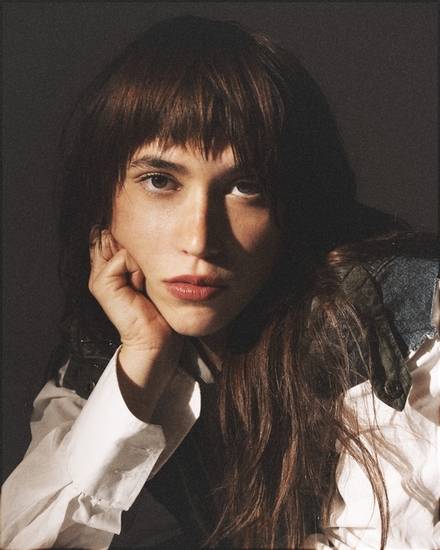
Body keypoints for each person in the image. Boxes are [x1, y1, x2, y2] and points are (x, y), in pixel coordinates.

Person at [1, 15, 438, 550]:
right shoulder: (114, 332)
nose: (199, 239)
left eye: (245, 186)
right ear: (103, 202)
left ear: (292, 207)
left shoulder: (393, 317)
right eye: (160, 181)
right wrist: (143, 357)